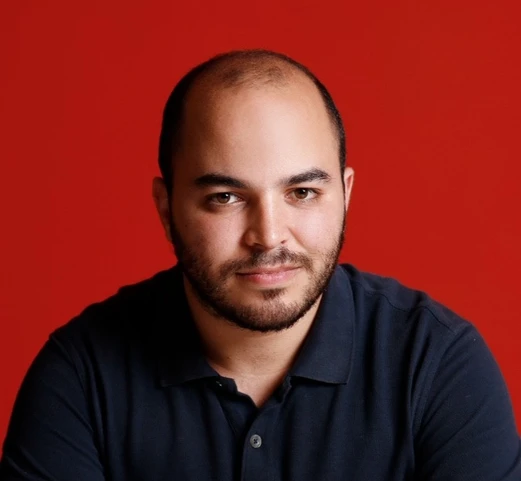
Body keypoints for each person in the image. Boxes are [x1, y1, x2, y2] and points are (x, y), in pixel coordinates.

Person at [1, 49, 519, 481]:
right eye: (225, 197)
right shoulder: (81, 376)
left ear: (345, 195)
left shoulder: (437, 365)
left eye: (302, 192)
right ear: (166, 208)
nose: (268, 236)